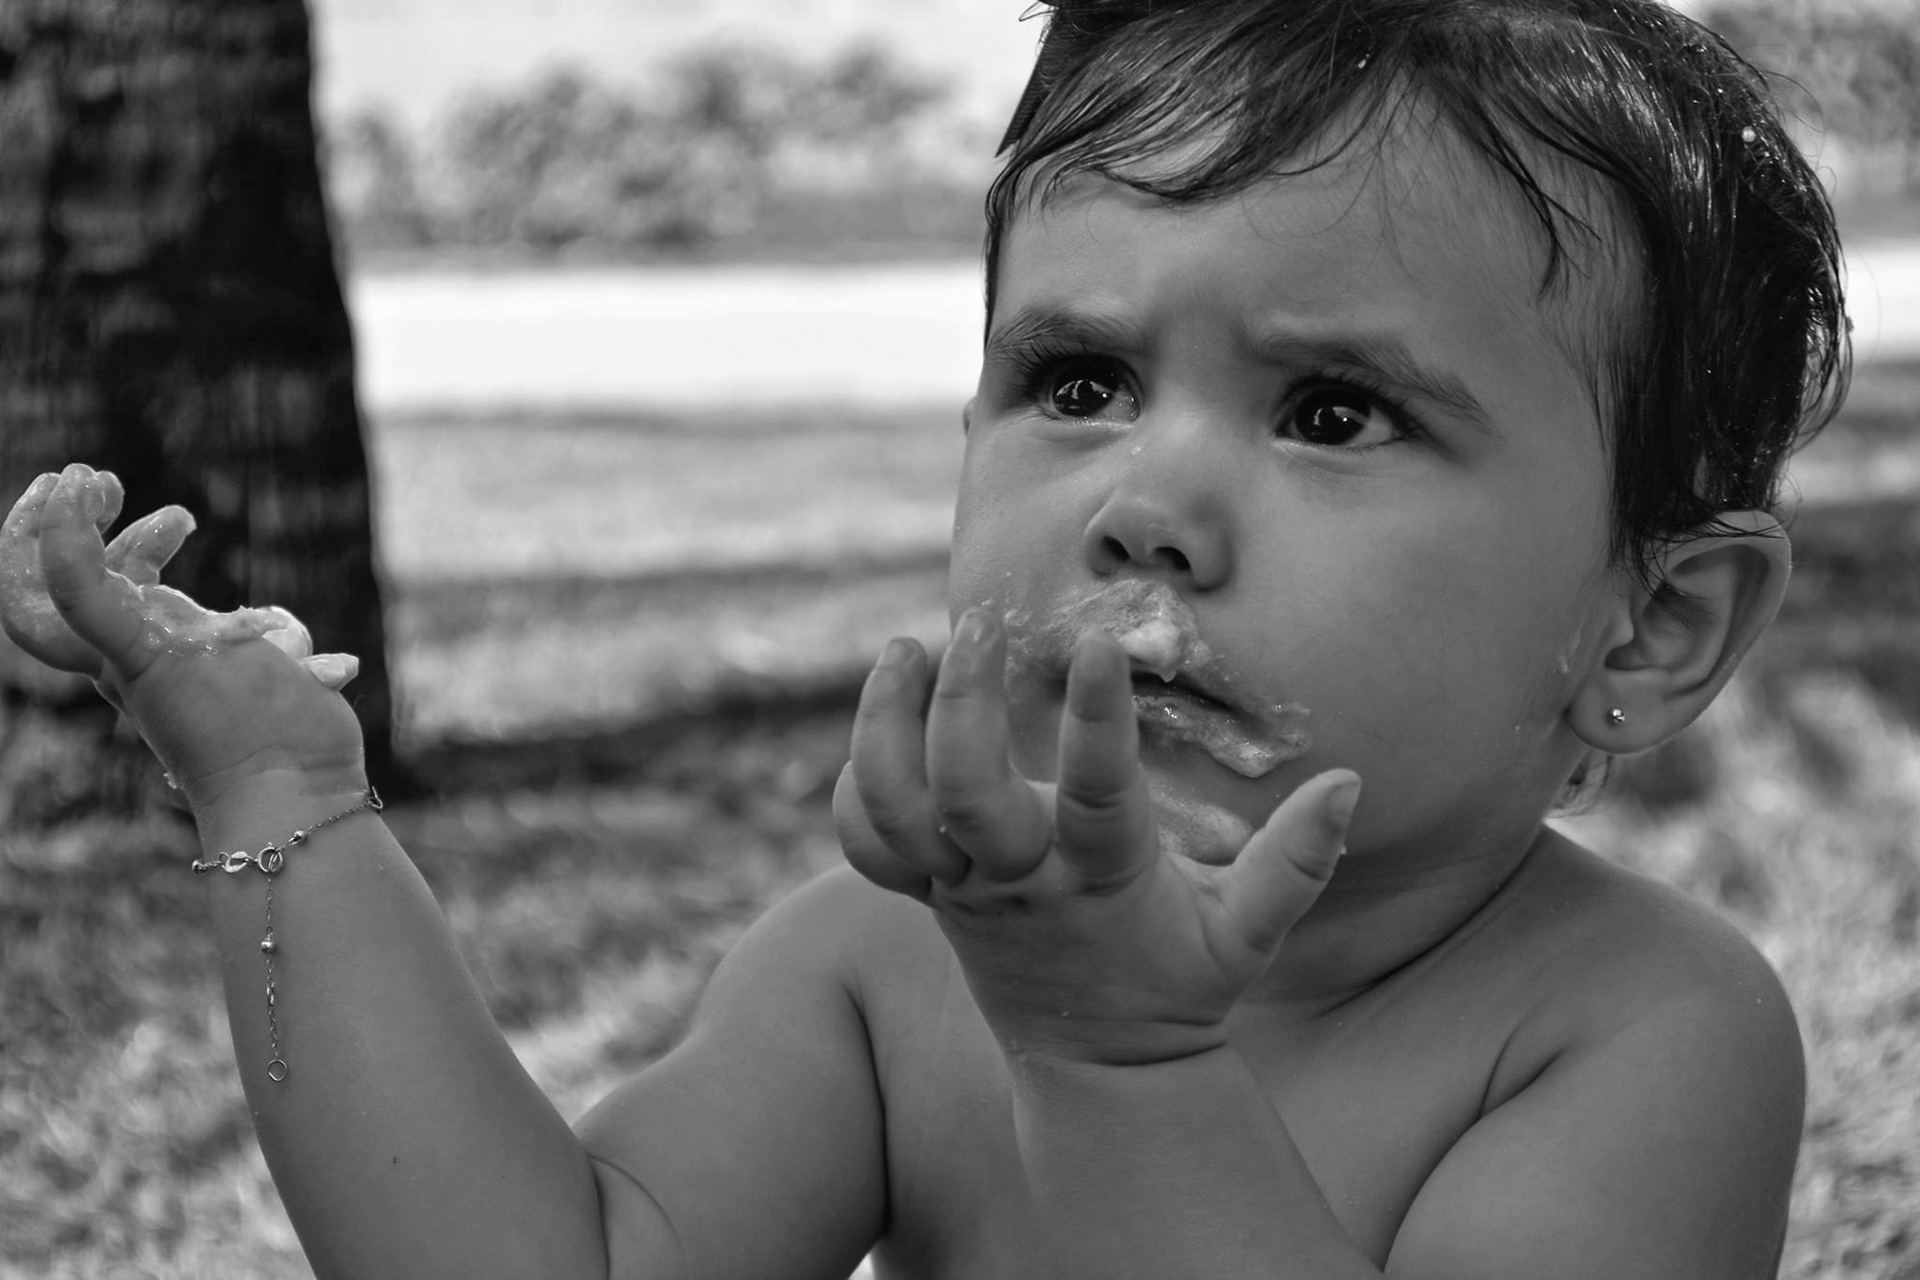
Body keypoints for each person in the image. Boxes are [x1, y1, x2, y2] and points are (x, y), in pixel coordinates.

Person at [0, 0, 1848, 1275]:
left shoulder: (1632, 1034)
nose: (1146, 505)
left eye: (1335, 412)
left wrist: (1118, 1064)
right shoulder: (888, 962)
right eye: (1081, 377)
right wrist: (282, 803)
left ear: (1653, 626)